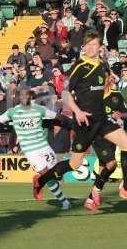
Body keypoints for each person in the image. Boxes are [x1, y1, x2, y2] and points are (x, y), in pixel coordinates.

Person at [34, 31, 127, 200]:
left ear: (100, 47)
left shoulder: (103, 64)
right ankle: (41, 180)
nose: (91, 48)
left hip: (102, 120)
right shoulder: (79, 65)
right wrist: (76, 111)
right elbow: (65, 92)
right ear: (83, 47)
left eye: (95, 44)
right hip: (85, 122)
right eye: (88, 44)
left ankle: (125, 188)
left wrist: (109, 82)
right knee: (74, 164)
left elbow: (102, 83)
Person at [0, 88, 71, 210]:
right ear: (19, 98)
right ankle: (64, 202)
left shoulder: (39, 109)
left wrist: (72, 122)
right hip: (31, 151)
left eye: (27, 95)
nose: (25, 98)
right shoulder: (12, 112)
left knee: (58, 177)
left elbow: (58, 116)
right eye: (23, 96)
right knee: (47, 175)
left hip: (44, 147)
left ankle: (39, 182)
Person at [84, 74, 127, 211]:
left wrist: (121, 115)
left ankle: (91, 198)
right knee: (111, 164)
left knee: (104, 168)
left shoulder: (117, 95)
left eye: (107, 77)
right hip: (98, 135)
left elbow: (126, 112)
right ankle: (98, 192)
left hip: (113, 135)